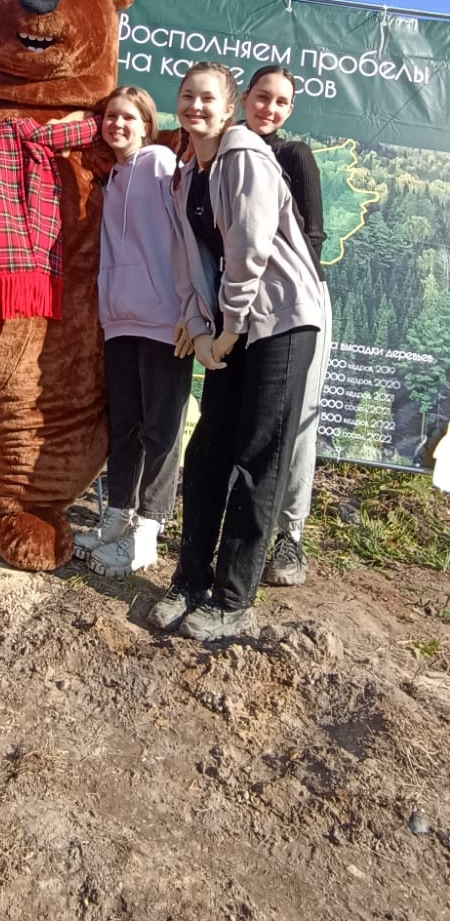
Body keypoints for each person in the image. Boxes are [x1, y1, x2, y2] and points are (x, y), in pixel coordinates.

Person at [148, 62, 323, 645]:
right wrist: (199, 327)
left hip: (283, 319)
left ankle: (232, 599)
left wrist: (227, 327)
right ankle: (188, 581)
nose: (196, 106)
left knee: (257, 457)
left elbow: (249, 249)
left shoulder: (245, 153)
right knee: (208, 453)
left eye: (208, 99)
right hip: (232, 323)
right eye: (188, 96)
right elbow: (189, 263)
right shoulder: (185, 175)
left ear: (229, 109)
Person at [72, 86, 193, 576]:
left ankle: (147, 534)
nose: (116, 124)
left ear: (146, 123)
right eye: (110, 117)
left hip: (166, 321)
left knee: (161, 431)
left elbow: (188, 231)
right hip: (119, 320)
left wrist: (193, 309)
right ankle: (118, 516)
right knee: (124, 426)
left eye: (127, 117)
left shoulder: (161, 161)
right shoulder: (113, 177)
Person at [240, 65, 332, 586]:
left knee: (296, 423)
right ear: (245, 97)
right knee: (246, 422)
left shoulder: (292, 156)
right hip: (240, 309)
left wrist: (283, 297)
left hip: (297, 304)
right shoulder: (225, 155)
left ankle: (289, 537)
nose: (269, 109)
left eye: (280, 102)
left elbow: (312, 238)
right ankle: (243, 525)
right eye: (262, 97)